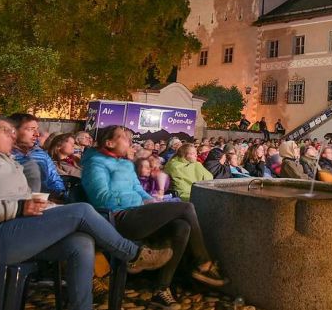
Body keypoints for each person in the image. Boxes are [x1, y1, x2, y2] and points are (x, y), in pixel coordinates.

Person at [0, 116, 171, 310]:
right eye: (5, 130)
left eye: (12, 130)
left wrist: (44, 208)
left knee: (80, 242)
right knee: (81, 211)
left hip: (9, 232)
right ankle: (131, 253)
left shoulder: (8, 164)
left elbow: (16, 202)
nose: (12, 134)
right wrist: (18, 208)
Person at [81, 125, 227, 308]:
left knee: (182, 227)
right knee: (186, 208)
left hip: (137, 213)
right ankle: (203, 263)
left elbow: (138, 190)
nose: (128, 140)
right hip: (118, 218)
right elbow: (101, 198)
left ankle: (162, 289)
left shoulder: (125, 164)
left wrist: (151, 201)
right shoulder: (95, 164)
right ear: (109, 143)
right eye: (123, 137)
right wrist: (139, 202)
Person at [9, 113, 66, 197]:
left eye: (37, 129)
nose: (37, 134)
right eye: (31, 129)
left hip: (45, 200)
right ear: (14, 131)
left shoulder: (41, 154)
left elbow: (54, 178)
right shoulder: (4, 155)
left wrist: (61, 195)